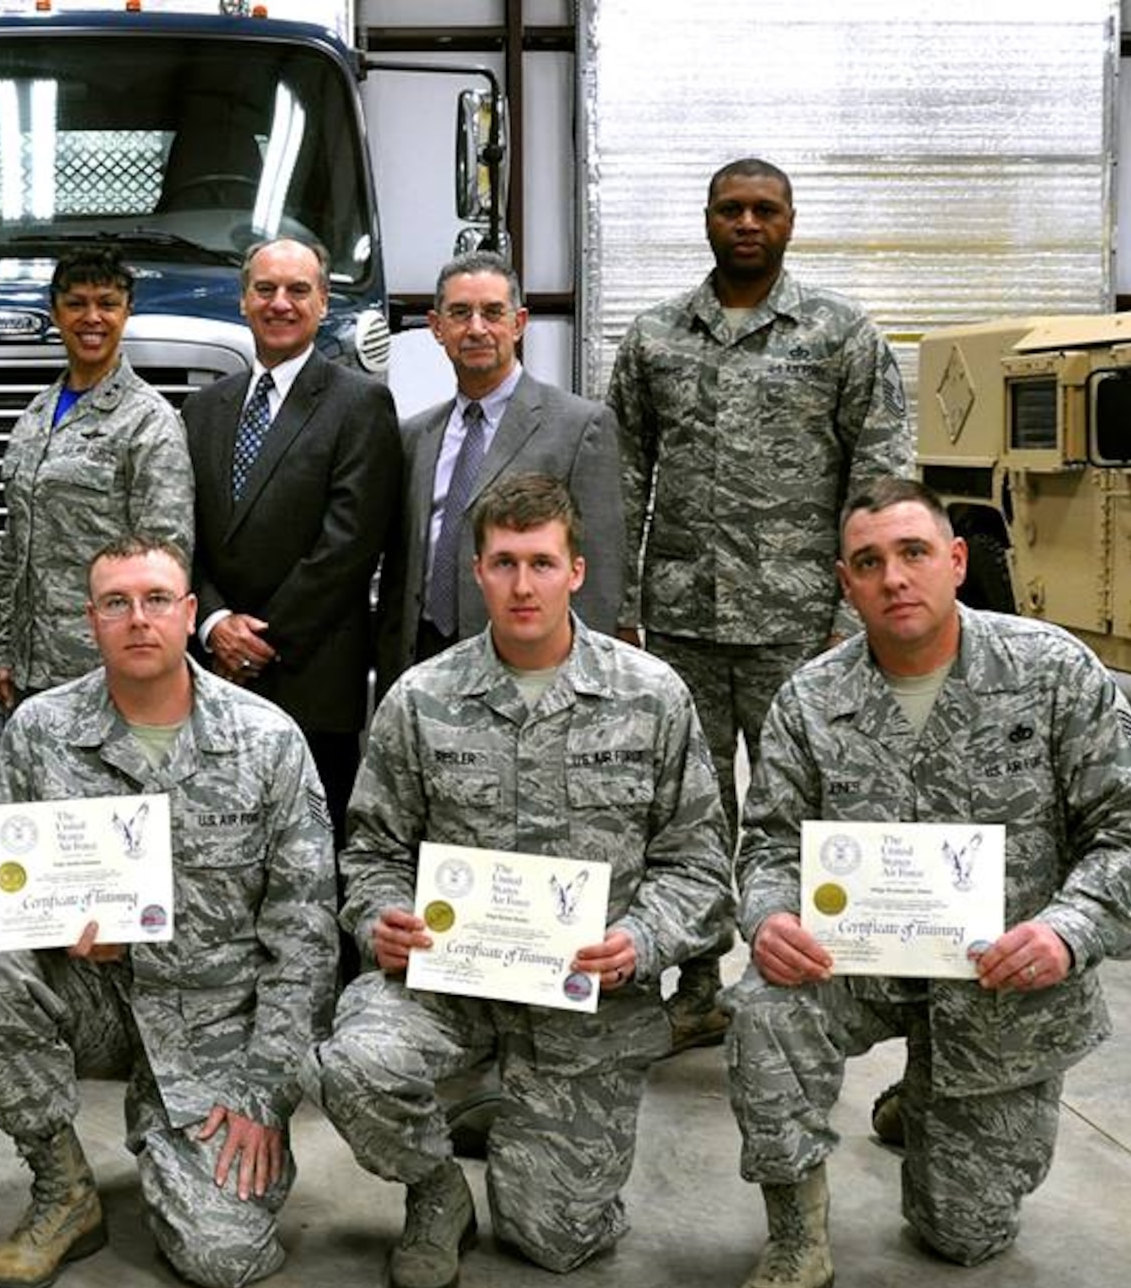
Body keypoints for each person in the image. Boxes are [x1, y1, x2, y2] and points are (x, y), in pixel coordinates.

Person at [721, 479, 1131, 1288]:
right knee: (762, 1010)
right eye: (869, 563)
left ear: (957, 562)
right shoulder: (810, 699)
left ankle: (926, 1097)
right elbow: (771, 841)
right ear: (845, 583)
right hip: (853, 966)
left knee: (963, 1236)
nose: (894, 577)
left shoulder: (1050, 672)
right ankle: (795, 1241)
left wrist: (1067, 929)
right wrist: (770, 914)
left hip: (999, 984)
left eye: (914, 553)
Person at [318, 474, 731, 1288]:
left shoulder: (651, 696)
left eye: (541, 562)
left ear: (577, 569)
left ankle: (516, 1114)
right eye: (504, 562)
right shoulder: (421, 698)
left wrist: (642, 942)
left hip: (587, 1000)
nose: (522, 584)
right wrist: (378, 918)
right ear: (476, 571)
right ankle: (436, 1188)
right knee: (352, 1063)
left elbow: (700, 866)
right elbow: (372, 850)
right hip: (451, 986)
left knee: (555, 1240)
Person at [0, 535, 336, 1288]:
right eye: (116, 603)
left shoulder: (265, 740)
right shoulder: (40, 729)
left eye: (157, 599)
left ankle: (177, 1147)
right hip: (94, 995)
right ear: (91, 619)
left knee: (221, 1259)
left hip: (215, 1017)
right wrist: (49, 924)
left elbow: (306, 933)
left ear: (190, 613)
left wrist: (265, 1093)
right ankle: (63, 1188)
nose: (138, 619)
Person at [607, 158, 914, 1053]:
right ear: (705, 217)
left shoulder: (839, 334)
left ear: (790, 220)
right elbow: (622, 478)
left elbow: (880, 477)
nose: (748, 222)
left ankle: (803, 978)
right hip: (681, 624)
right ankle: (696, 979)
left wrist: (854, 616)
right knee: (690, 808)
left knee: (803, 808)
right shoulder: (657, 336)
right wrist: (622, 609)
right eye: (731, 208)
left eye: (765, 210)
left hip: (801, 626)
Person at [182, 237, 401, 833]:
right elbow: (183, 532)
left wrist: (257, 643)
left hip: (311, 677)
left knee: (311, 848)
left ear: (324, 304)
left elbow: (350, 544)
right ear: (243, 302)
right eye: (266, 289)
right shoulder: (202, 410)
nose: (281, 303)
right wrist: (214, 624)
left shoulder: (361, 403)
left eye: (298, 290)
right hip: (211, 672)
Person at [378, 250, 624, 691]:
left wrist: (585, 683)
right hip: (421, 661)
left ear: (519, 322)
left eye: (493, 312)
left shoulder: (580, 426)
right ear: (437, 328)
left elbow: (600, 576)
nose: (476, 328)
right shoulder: (412, 435)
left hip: (529, 662)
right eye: (459, 313)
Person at [0, 248, 193, 712]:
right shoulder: (36, 415)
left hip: (106, 670)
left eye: (107, 303)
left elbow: (166, 556)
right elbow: (13, 549)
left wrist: (143, 666)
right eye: (77, 303)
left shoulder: (148, 421)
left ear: (127, 312)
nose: (92, 317)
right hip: (30, 669)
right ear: (54, 313)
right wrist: (3, 650)